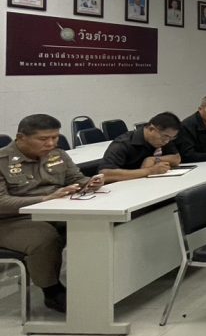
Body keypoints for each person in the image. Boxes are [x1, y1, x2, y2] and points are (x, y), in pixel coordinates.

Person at [0, 114, 104, 312]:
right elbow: (1, 202)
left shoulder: (57, 154)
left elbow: (76, 178)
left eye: (55, 137)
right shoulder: (2, 161)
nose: (51, 143)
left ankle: (92, 283)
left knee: (90, 225)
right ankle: (52, 292)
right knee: (44, 238)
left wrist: (90, 183)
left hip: (53, 211)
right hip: (10, 220)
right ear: (21, 137)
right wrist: (45, 199)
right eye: (43, 139)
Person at [99, 113, 182, 182]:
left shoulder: (164, 138)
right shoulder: (122, 144)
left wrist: (153, 159)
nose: (167, 141)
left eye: (171, 138)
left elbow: (176, 158)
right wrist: (150, 171)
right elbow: (105, 174)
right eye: (165, 137)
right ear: (151, 129)